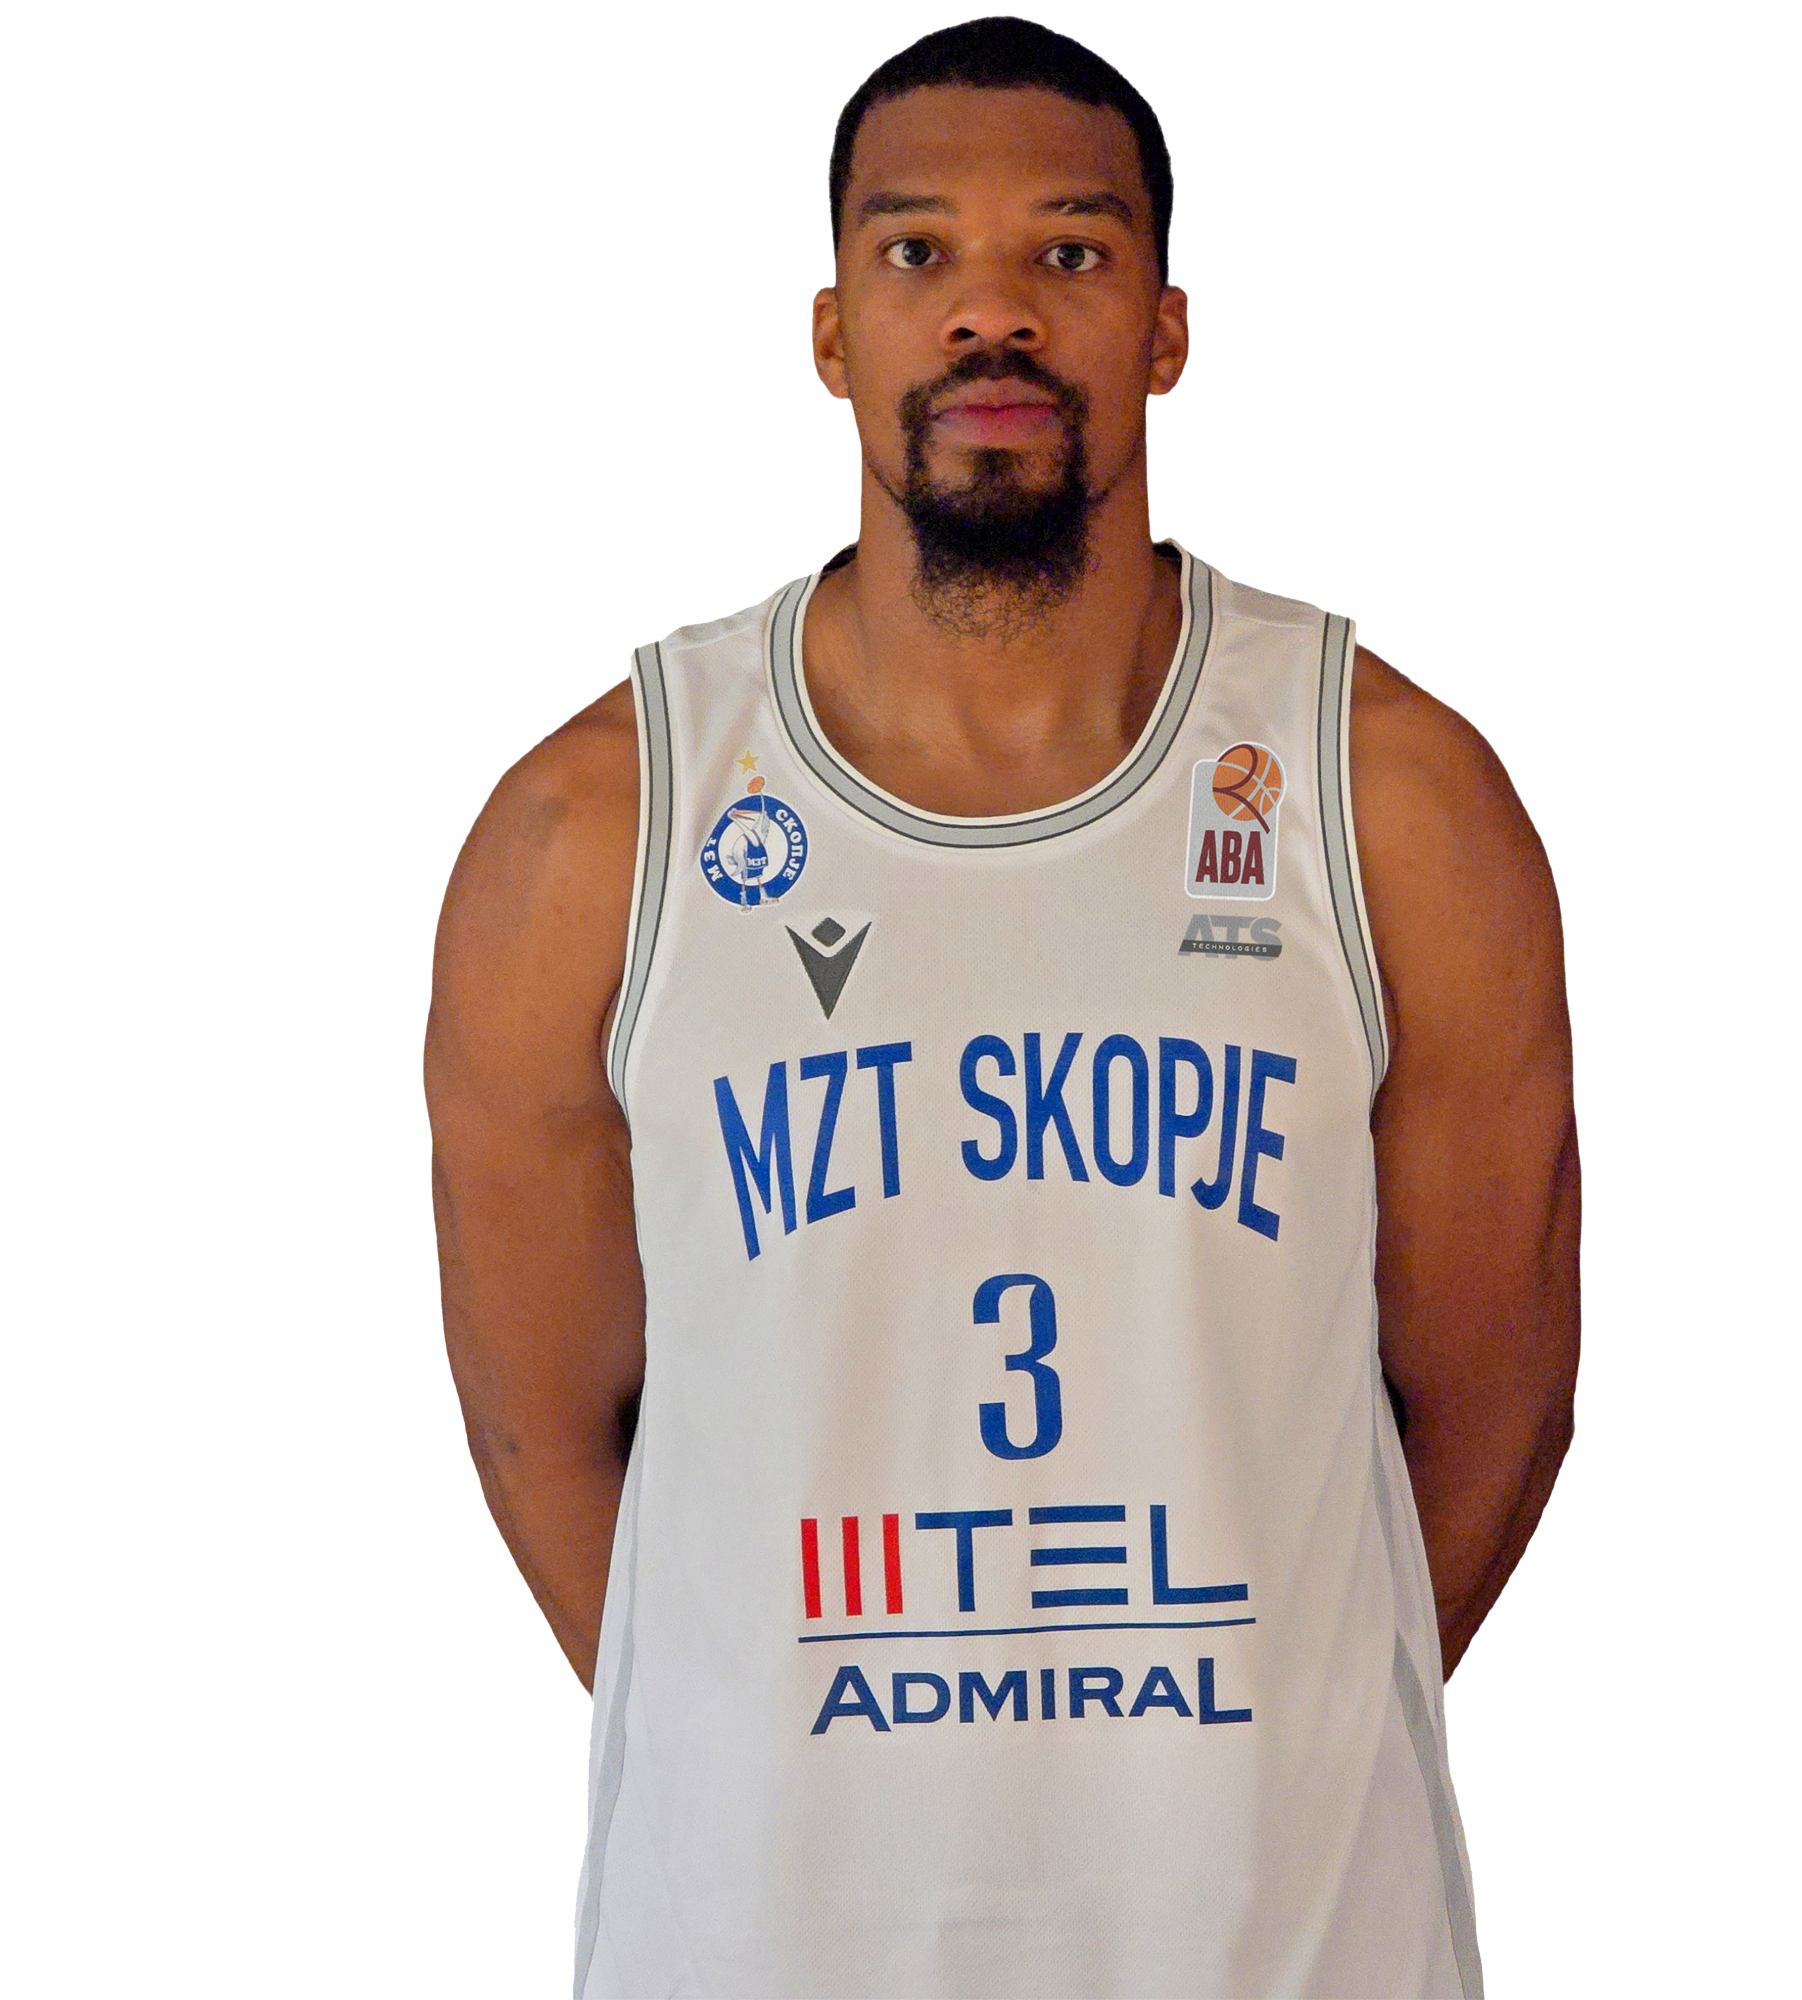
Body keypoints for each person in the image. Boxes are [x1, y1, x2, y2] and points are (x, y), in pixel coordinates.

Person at [424, 17, 1578, 1998]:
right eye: (915, 253)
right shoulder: (594, 831)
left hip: (1283, 1945)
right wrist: (806, 1756)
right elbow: (544, 1438)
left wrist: (1238, 1749)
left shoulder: (1384, 797)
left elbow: (1498, 1410)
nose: (992, 313)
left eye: (1068, 251)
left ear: (1165, 326)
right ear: (829, 332)